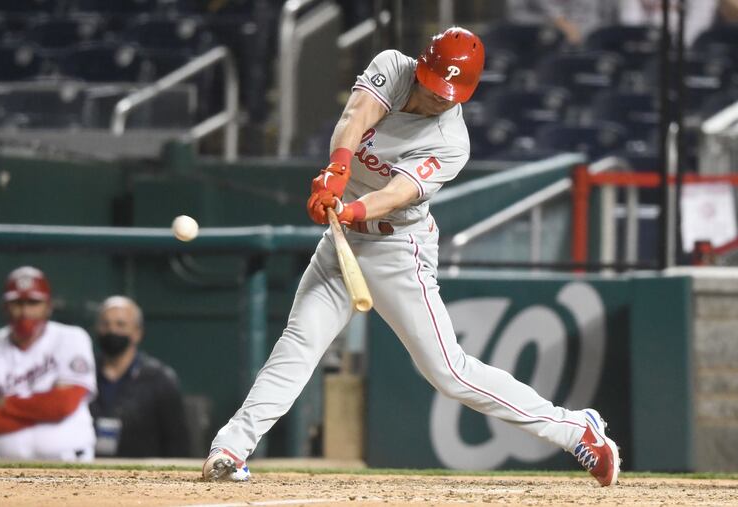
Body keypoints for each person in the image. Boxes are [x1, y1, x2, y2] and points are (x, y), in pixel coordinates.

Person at [202, 27, 620, 486]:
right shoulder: (393, 68)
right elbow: (356, 116)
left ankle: (575, 429)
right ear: (422, 67)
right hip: (343, 240)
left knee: (448, 372)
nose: (438, 97)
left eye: (450, 93)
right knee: (300, 342)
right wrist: (336, 171)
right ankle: (230, 448)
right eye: (434, 83)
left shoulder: (451, 141)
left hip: (397, 246)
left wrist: (349, 206)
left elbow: (398, 193)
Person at [0, 266, 97, 461]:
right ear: (5, 307)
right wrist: (42, 413)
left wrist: (5, 403)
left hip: (69, 460)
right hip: (4, 467)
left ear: (48, 306)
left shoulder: (71, 338)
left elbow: (63, 405)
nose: (25, 311)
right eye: (17, 302)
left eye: (33, 302)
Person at [88, 296, 190, 458]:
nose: (112, 331)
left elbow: (177, 441)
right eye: (105, 324)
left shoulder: (159, 379)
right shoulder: (83, 373)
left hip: (143, 472)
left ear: (137, 333)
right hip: (88, 471)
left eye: (120, 324)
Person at [506, 0, 618, 45]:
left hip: (592, 47)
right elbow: (517, 16)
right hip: (543, 48)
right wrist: (557, 23)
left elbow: (609, 21)